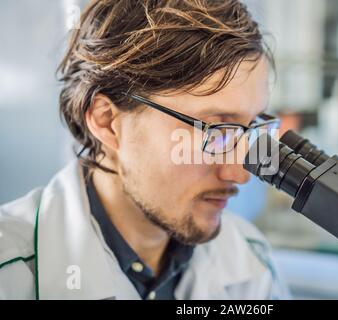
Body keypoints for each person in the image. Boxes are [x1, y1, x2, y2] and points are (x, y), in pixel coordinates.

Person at [0, 0, 289, 300]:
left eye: (251, 128)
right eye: (216, 131)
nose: (240, 174)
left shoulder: (250, 259)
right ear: (108, 121)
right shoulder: (9, 277)